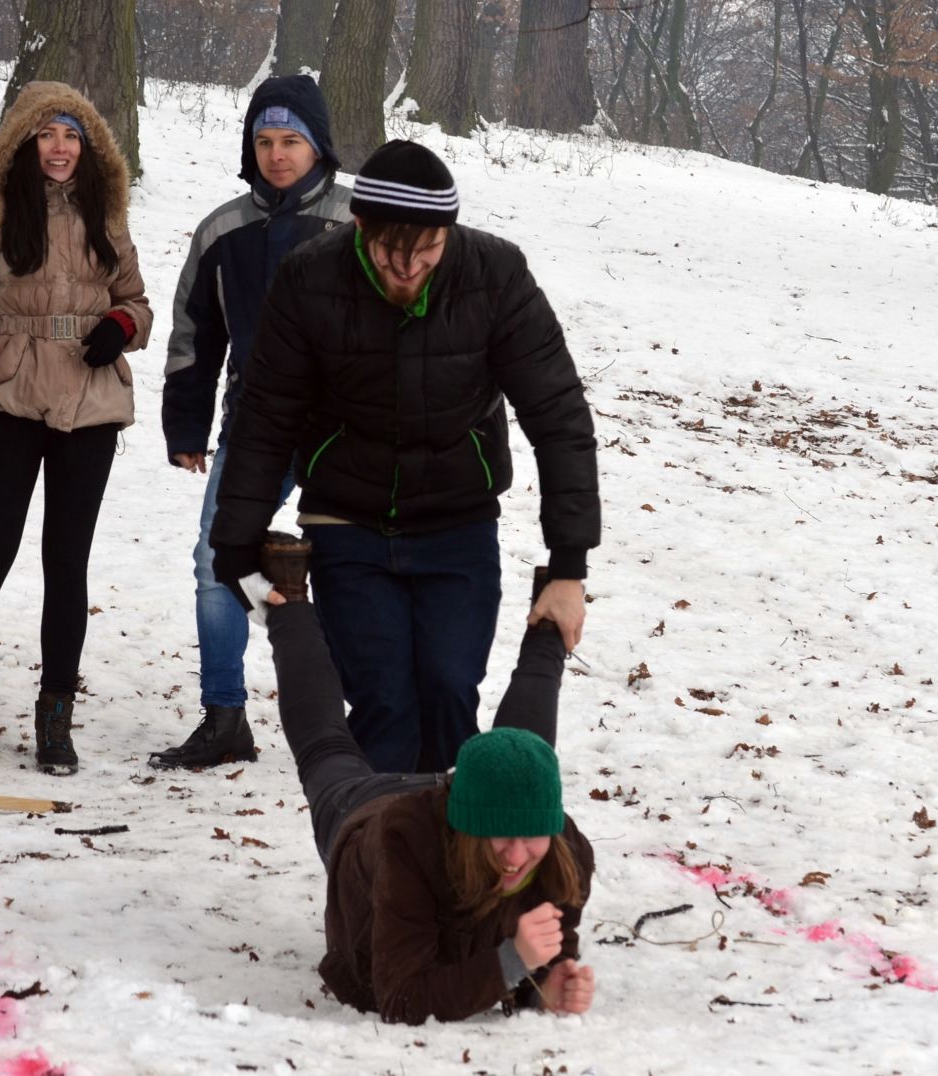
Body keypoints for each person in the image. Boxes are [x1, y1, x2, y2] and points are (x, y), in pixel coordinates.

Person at [209, 139, 600, 776]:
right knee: (384, 704)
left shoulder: (494, 276)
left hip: (458, 524)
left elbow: (559, 417)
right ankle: (382, 861)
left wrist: (569, 567)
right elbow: (266, 416)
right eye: (394, 253)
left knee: (449, 691)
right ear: (361, 226)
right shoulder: (310, 279)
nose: (411, 269)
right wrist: (235, 544)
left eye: (429, 252)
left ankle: (451, 863)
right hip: (347, 523)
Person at [251, 536, 595, 1022]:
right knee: (324, 746)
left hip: (470, 796)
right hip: (365, 812)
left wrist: (547, 985)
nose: (517, 857)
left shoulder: (565, 851)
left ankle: (550, 622)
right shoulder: (404, 845)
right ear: (468, 827)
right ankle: (289, 600)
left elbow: (547, 957)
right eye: (501, 839)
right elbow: (402, 998)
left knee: (522, 753)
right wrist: (514, 962)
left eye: (531, 838)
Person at [0, 81, 152, 775]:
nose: (59, 147)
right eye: (48, 134)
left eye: (72, 135)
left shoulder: (106, 211)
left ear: (89, 146)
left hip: (89, 403)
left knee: (66, 564)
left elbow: (135, 300)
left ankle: (55, 716)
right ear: (25, 141)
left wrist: (121, 325)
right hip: (12, 400)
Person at [150, 74, 352, 770]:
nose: (277, 154)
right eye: (264, 141)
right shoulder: (223, 229)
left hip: (345, 434)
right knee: (216, 563)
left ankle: (367, 715)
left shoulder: (362, 222)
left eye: (291, 140)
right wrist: (186, 426)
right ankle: (225, 716)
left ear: (319, 145)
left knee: (354, 571)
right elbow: (193, 334)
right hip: (256, 428)